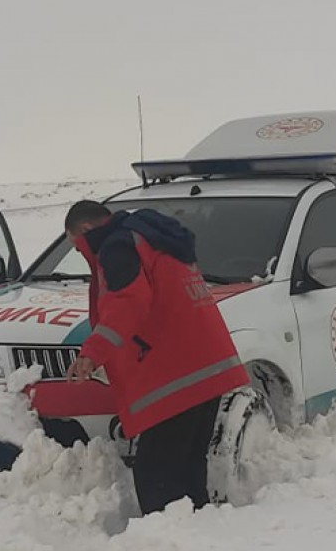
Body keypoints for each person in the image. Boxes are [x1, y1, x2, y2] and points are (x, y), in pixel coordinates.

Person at [63, 199, 250, 520]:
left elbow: (127, 303)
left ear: (84, 231)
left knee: (156, 474)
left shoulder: (117, 248)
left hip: (174, 375)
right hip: (206, 366)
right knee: (189, 464)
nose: (83, 254)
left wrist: (92, 354)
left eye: (77, 247)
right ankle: (200, 530)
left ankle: (168, 543)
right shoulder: (152, 238)